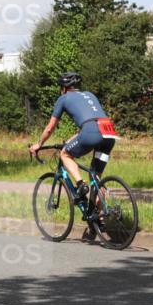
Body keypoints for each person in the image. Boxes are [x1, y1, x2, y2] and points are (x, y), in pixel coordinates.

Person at [29, 71, 117, 206]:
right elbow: (91, 123)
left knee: (65, 154)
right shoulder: (90, 95)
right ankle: (101, 215)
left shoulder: (63, 98)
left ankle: (81, 185)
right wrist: (71, 140)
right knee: (96, 178)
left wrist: (39, 144)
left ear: (64, 88)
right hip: (109, 134)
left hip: (91, 132)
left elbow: (50, 128)